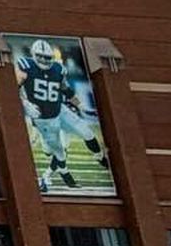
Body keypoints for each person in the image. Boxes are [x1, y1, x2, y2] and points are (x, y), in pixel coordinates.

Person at [16, 38, 110, 191]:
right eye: (41, 56)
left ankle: (100, 157)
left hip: (60, 109)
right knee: (56, 151)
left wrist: (81, 106)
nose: (45, 60)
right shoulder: (26, 67)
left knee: (87, 132)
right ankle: (64, 173)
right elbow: (10, 87)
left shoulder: (58, 69)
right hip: (44, 119)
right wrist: (26, 104)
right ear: (34, 55)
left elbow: (66, 89)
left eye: (47, 57)